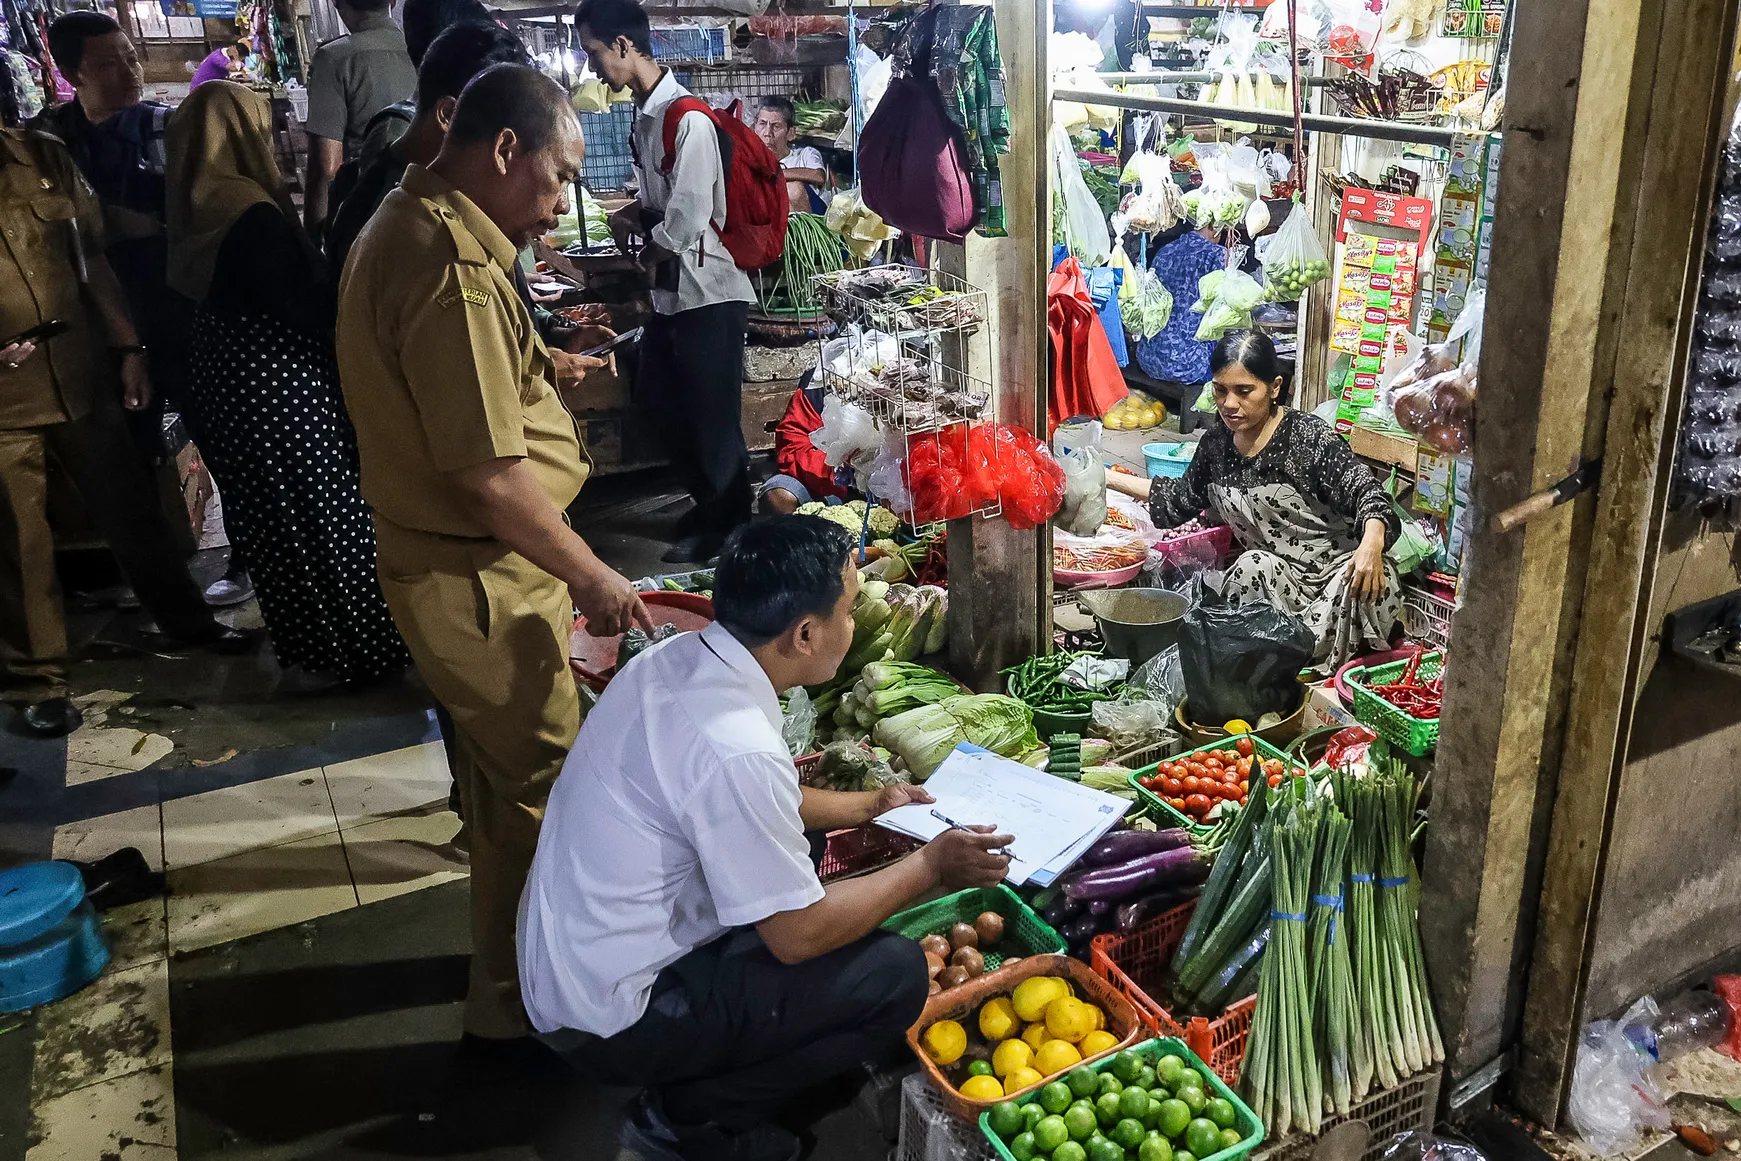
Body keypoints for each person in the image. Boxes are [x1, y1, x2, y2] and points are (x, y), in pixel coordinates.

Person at [519, 516, 1013, 1161]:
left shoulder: (676, 661)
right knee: (893, 976)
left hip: (569, 963)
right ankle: (685, 1119)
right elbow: (797, 936)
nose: (853, 625)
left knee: (808, 848)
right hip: (614, 1016)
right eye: (848, 610)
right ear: (804, 634)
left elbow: (758, 801)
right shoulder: (736, 747)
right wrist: (931, 867)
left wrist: (873, 804)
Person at [336, 63, 649, 1051]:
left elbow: (450, 388)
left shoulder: (414, 223)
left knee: (499, 791)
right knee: (543, 791)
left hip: (458, 564)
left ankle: (502, 973)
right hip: (476, 575)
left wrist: (539, 367)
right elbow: (488, 477)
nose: (559, 205)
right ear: (505, 149)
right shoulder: (453, 272)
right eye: (558, 178)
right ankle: (525, 1007)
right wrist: (592, 573)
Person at [0, 126, 247, 736]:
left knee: (133, 508)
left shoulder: (42, 154)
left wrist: (129, 348)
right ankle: (38, 680)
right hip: (4, 402)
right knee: (20, 541)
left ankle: (188, 622)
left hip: (77, 373)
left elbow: (93, 259)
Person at [164, 81, 408, 689]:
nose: (270, 139)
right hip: (280, 391)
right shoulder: (250, 215)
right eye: (261, 126)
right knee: (326, 514)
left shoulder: (195, 202)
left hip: (231, 384)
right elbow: (304, 308)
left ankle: (314, 650)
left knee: (274, 521)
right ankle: (362, 653)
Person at [34, 11, 254, 610]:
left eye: (131, 57)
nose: (130, 71)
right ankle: (159, 580)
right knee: (129, 453)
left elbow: (206, 216)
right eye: (109, 63)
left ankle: (245, 559)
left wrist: (151, 227)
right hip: (100, 322)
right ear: (72, 73)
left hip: (178, 313)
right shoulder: (47, 144)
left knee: (219, 439)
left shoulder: (167, 128)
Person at [578, 0, 756, 565]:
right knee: (659, 397)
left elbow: (690, 214)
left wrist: (647, 253)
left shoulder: (690, 120)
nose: (592, 67)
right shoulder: (648, 118)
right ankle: (709, 505)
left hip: (710, 293)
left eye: (594, 53)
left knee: (712, 416)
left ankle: (732, 526)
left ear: (624, 45)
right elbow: (662, 200)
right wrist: (630, 213)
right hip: (674, 295)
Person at [1107, 330, 1402, 669]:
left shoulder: (1306, 437)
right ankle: (1268, 664)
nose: (1229, 404)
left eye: (1244, 391)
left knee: (1369, 585)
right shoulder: (1217, 445)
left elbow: (1369, 493)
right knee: (1251, 565)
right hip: (1280, 586)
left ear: (1274, 388)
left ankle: (1315, 663)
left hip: (1340, 577)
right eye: (1220, 390)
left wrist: (1371, 545)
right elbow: (1180, 498)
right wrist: (1108, 479)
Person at [302, 0, 418, 235]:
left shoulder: (333, 58)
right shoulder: (424, 47)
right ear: (393, 1)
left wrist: (313, 239)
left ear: (337, 3)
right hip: (425, 205)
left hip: (366, 216)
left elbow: (326, 167)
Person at [1133, 221, 1227, 396]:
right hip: (1191, 366)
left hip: (1149, 359)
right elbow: (1225, 307)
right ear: (1213, 227)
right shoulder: (1217, 254)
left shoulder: (1165, 251)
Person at [759, 372, 847, 515]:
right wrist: (842, 470)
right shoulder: (819, 379)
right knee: (780, 496)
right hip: (825, 479)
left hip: (880, 484)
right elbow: (793, 446)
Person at [752, 96, 827, 215]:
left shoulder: (805, 155)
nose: (767, 133)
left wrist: (775, 174)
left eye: (776, 126)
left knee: (793, 189)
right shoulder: (750, 161)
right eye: (762, 124)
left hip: (807, 220)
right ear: (754, 128)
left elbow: (818, 176)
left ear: (791, 133)